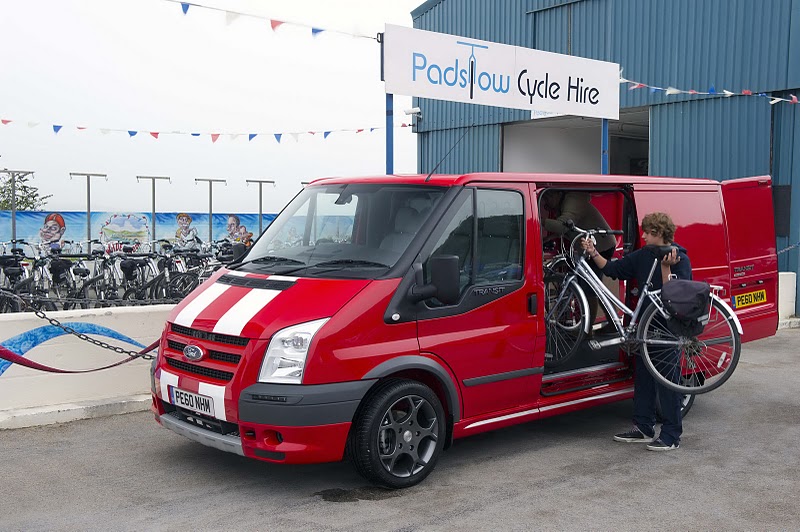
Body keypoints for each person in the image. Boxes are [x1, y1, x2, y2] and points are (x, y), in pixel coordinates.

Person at [581, 211, 691, 451]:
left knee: (667, 383)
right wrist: (593, 252)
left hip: (667, 331)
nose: (643, 236)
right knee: (643, 380)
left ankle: (672, 436)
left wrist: (665, 268)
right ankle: (643, 428)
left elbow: (675, 297)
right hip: (645, 329)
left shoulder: (678, 257)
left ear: (660, 234)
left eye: (648, 233)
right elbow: (614, 269)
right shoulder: (643, 255)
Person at [542, 190, 617, 331]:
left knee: (589, 288)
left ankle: (587, 330)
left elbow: (563, 226)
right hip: (592, 245)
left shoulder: (573, 201)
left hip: (600, 246)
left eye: (547, 201)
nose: (548, 206)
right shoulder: (565, 202)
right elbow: (569, 229)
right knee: (596, 287)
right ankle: (612, 324)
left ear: (555, 195)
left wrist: (541, 220)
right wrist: (548, 238)